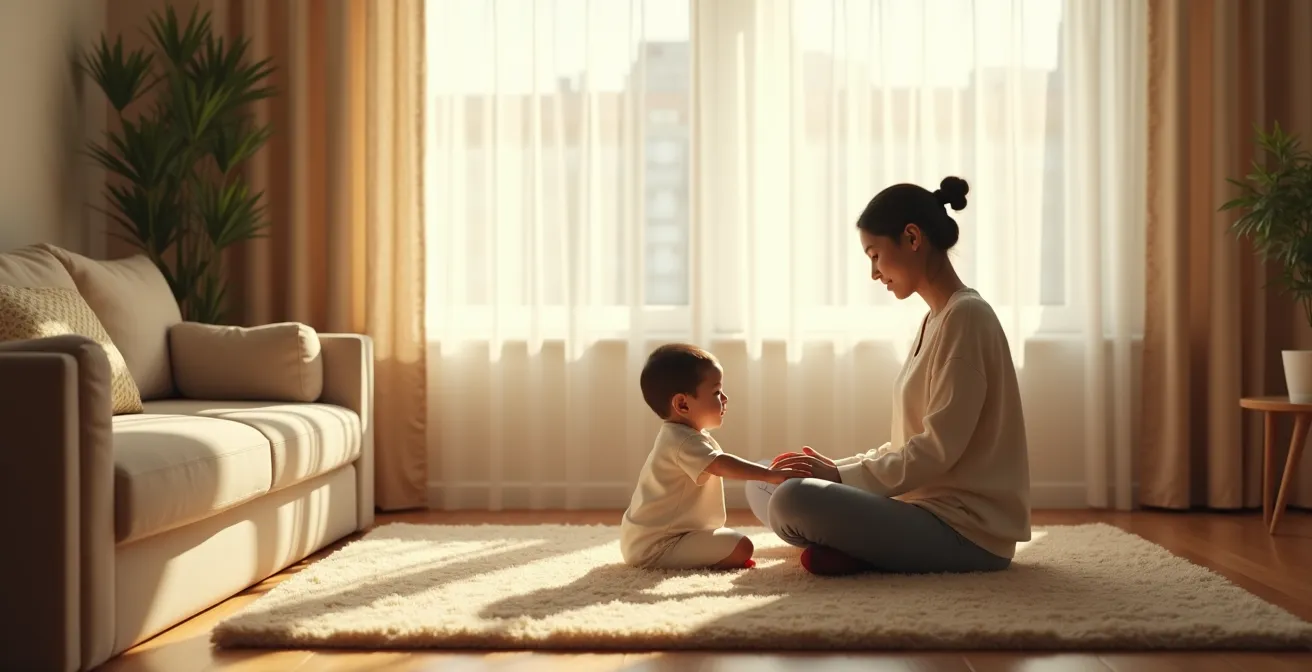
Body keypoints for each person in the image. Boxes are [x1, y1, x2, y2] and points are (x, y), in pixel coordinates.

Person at [746, 176, 1031, 576]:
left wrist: (839, 478)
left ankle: (852, 547)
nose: (875, 273)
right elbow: (909, 442)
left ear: (912, 238)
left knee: (792, 499)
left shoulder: (967, 318)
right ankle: (854, 549)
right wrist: (837, 468)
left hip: (966, 532)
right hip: (919, 509)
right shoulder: (936, 318)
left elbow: (935, 450)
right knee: (766, 479)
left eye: (875, 255)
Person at [620, 343, 810, 570]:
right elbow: (720, 464)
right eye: (716, 392)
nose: (725, 398)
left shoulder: (684, 436)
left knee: (733, 544)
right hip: (658, 546)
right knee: (741, 546)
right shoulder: (684, 442)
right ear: (682, 403)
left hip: (653, 539)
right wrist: (769, 475)